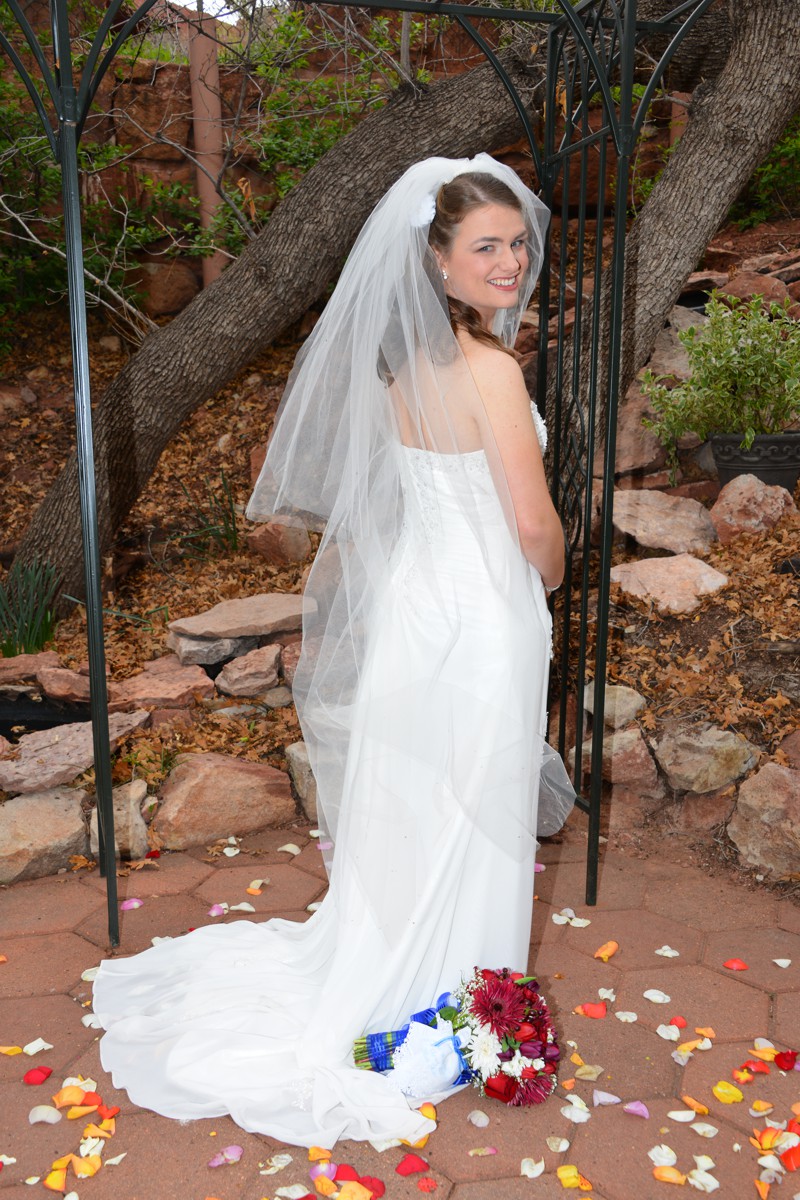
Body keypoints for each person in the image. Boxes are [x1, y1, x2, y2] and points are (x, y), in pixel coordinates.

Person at [92, 154, 574, 1150]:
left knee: (417, 810)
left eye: (516, 243)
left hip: (413, 610)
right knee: (471, 812)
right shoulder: (491, 369)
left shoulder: (408, 367)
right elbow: (531, 529)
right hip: (482, 616)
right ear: (436, 263)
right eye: (485, 245)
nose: (508, 259)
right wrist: (558, 576)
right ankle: (452, 1008)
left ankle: (424, 990)